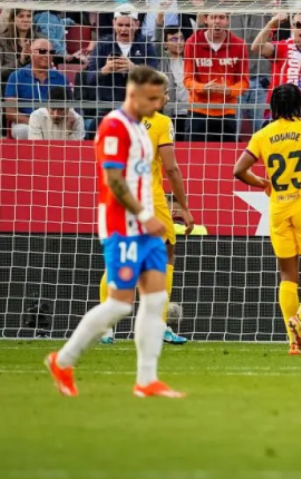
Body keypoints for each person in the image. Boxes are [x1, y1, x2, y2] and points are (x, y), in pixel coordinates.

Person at [45, 66, 184, 399]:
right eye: (154, 96)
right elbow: (114, 180)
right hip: (123, 224)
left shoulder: (141, 129)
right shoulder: (113, 126)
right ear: (134, 93)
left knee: (155, 299)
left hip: (148, 223)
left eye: (162, 96)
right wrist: (142, 215)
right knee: (121, 304)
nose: (160, 102)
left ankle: (147, 380)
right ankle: (62, 360)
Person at [232, 84, 301, 355]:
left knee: (286, 275)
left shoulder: (262, 135)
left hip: (278, 209)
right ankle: (299, 319)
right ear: (299, 104)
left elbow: (239, 170)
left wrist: (262, 183)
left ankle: (294, 342)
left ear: (273, 107)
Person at [99, 86, 196, 346]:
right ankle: (159, 326)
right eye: (164, 93)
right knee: (166, 253)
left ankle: (106, 328)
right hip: (150, 199)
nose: (166, 97)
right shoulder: (162, 121)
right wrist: (184, 207)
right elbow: (172, 168)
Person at [183, 11, 250, 141]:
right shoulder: (192, 42)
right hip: (199, 111)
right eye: (213, 17)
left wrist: (230, 90)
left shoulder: (239, 44)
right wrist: (203, 88)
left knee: (226, 159)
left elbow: (244, 82)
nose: (217, 21)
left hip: (226, 112)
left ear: (227, 21)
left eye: (221, 17)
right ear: (205, 20)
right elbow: (187, 79)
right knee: (193, 158)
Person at [4, 38, 68, 139]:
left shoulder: (61, 78)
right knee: (23, 131)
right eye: (42, 51)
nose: (47, 55)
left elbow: (70, 109)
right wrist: (36, 123)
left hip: (55, 122)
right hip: (26, 122)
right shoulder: (16, 76)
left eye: (51, 52)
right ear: (31, 53)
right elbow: (10, 112)